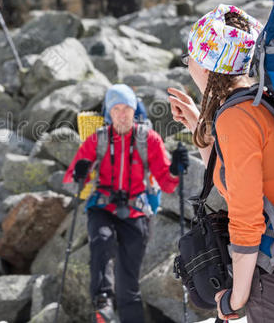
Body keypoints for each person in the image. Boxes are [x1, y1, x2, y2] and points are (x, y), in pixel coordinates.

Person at [168, 5, 274, 322]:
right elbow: (237, 181)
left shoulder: (236, 118)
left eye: (189, 57)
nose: (188, 65)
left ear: (205, 66)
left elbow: (247, 217)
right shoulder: (263, 102)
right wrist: (197, 125)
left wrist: (237, 297)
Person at [63, 84, 189, 323]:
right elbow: (71, 183)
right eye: (116, 109)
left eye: (127, 108)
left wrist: (175, 168)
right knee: (101, 240)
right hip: (102, 208)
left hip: (137, 212)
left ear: (135, 110)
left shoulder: (149, 139)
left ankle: (126, 314)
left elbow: (168, 182)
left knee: (128, 283)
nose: (122, 114)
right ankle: (102, 302)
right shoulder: (97, 140)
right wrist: (81, 174)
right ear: (109, 113)